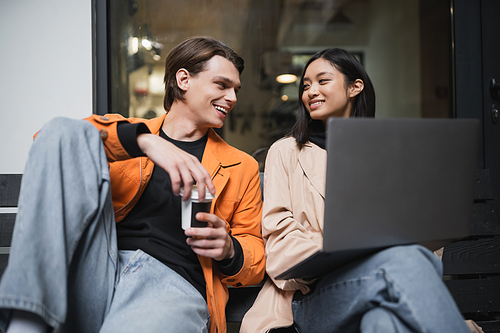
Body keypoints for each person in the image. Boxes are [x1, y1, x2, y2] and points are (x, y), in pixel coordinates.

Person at [0, 36, 265, 333]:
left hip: (172, 284)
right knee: (61, 129)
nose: (232, 98)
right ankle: (27, 324)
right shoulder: (130, 135)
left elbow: (256, 253)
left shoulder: (241, 166)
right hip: (99, 271)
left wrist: (230, 249)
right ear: (184, 79)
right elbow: (50, 143)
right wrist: (142, 140)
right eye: (222, 85)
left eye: (235, 90)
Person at [240, 48, 472, 333]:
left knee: (383, 323)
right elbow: (280, 246)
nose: (311, 91)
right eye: (306, 85)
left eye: (322, 81)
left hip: (384, 285)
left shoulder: (389, 152)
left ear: (355, 87)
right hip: (311, 299)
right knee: (400, 261)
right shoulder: (286, 151)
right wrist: (349, 251)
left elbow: (427, 243)